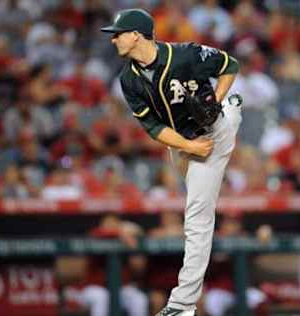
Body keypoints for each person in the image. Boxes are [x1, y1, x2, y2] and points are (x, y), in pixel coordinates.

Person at [101, 8, 242, 316]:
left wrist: (217, 98)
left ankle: (182, 305)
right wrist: (188, 145)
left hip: (212, 133)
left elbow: (230, 64)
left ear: (136, 35)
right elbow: (153, 127)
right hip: (182, 141)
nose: (113, 40)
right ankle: (232, 109)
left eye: (118, 34)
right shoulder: (128, 79)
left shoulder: (185, 54)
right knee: (193, 199)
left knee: (196, 216)